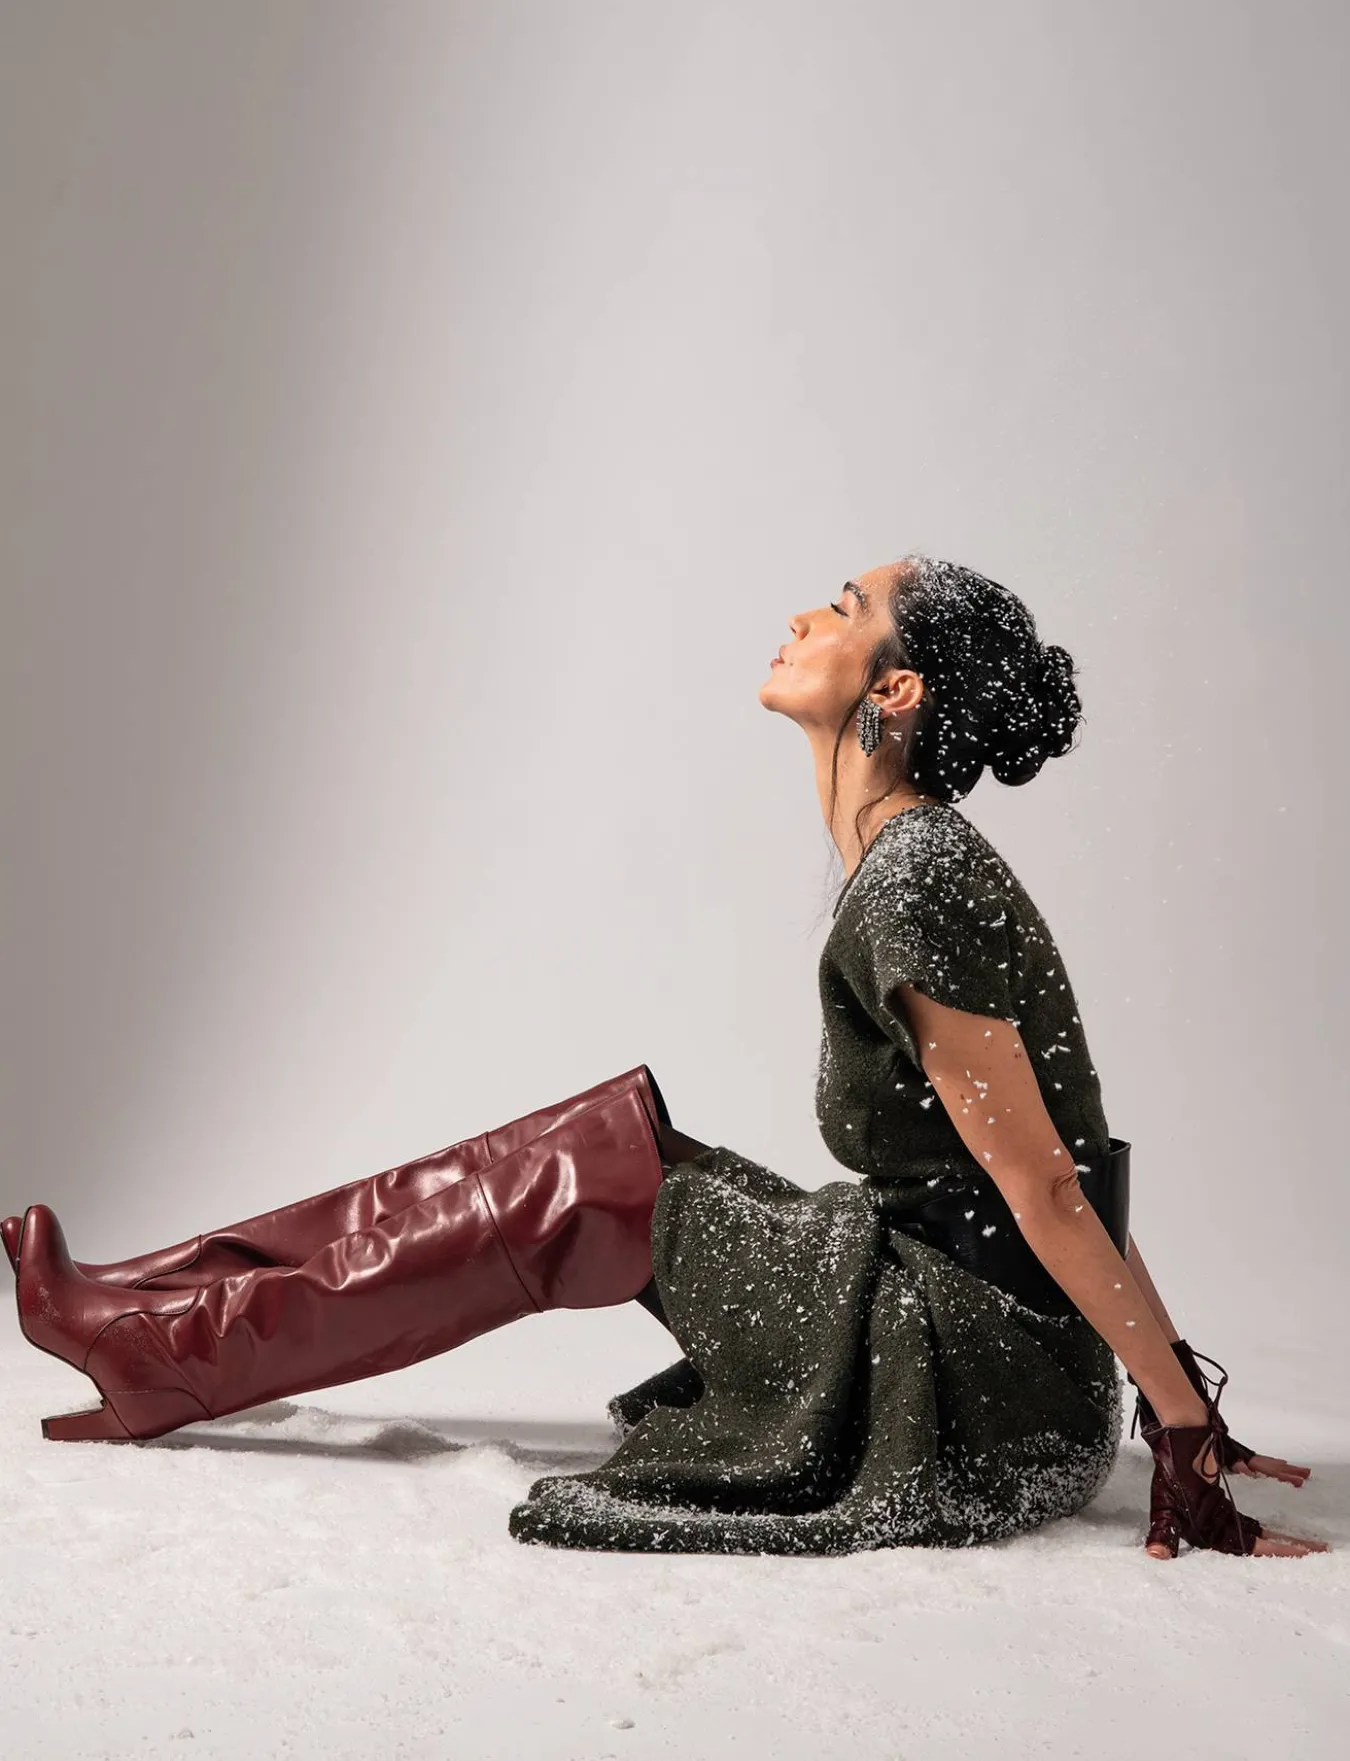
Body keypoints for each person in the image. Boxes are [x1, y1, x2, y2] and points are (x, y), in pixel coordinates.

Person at [6, 553, 1325, 1562]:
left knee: (585, 1184)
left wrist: (1180, 1428)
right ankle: (152, 1298)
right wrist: (1161, 1392)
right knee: (605, 1147)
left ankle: (166, 1346)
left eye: (842, 609)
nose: (802, 616)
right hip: (962, 1330)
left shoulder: (921, 878)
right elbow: (1062, 1173)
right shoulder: (908, 862)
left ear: (894, 691)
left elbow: (1046, 1185)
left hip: (972, 1388)